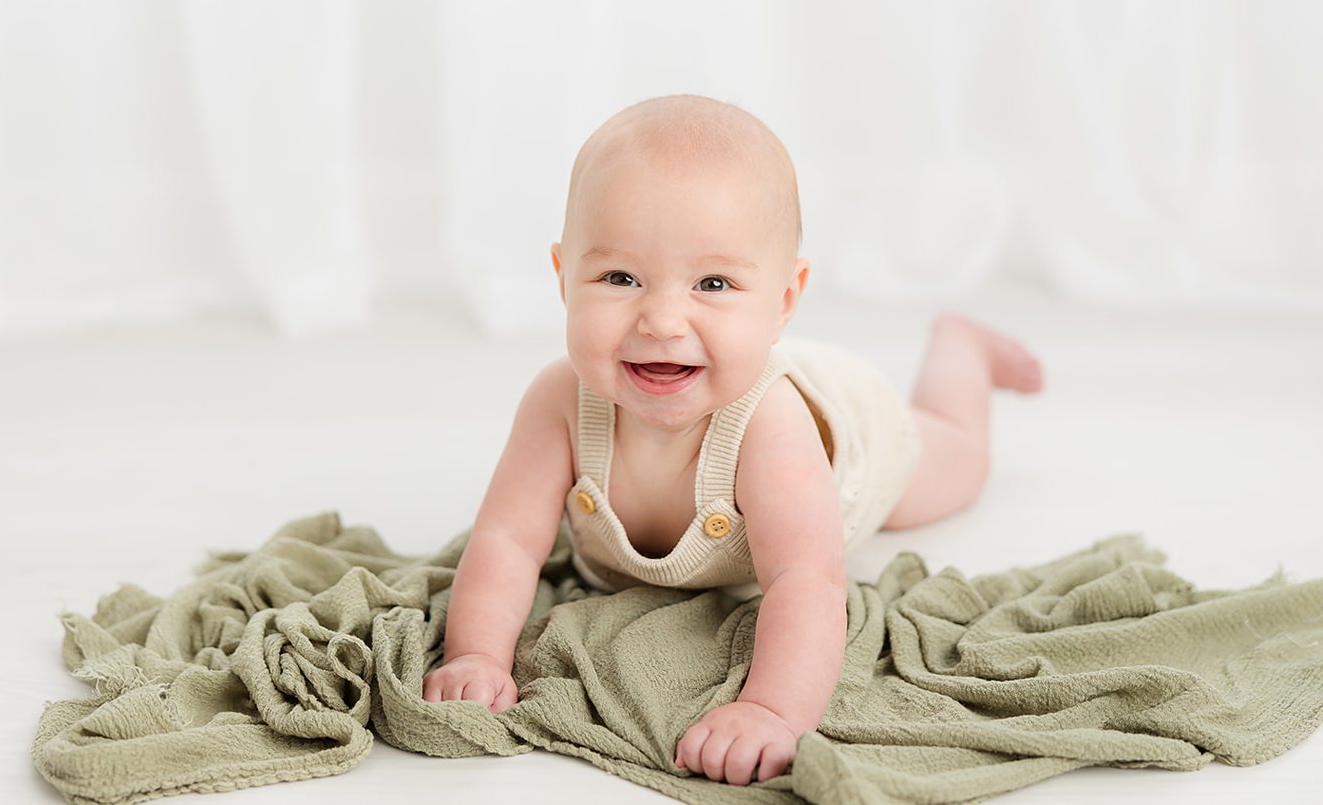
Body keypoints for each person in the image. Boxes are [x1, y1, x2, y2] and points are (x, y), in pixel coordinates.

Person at [421, 94, 1043, 786]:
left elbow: (806, 579)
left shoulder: (769, 426)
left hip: (857, 436)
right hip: (733, 362)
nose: (660, 320)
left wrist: (772, 710)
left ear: (783, 300)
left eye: (712, 282)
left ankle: (962, 350)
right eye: (620, 277)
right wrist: (475, 655)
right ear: (563, 278)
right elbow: (508, 538)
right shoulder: (558, 401)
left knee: (960, 461)